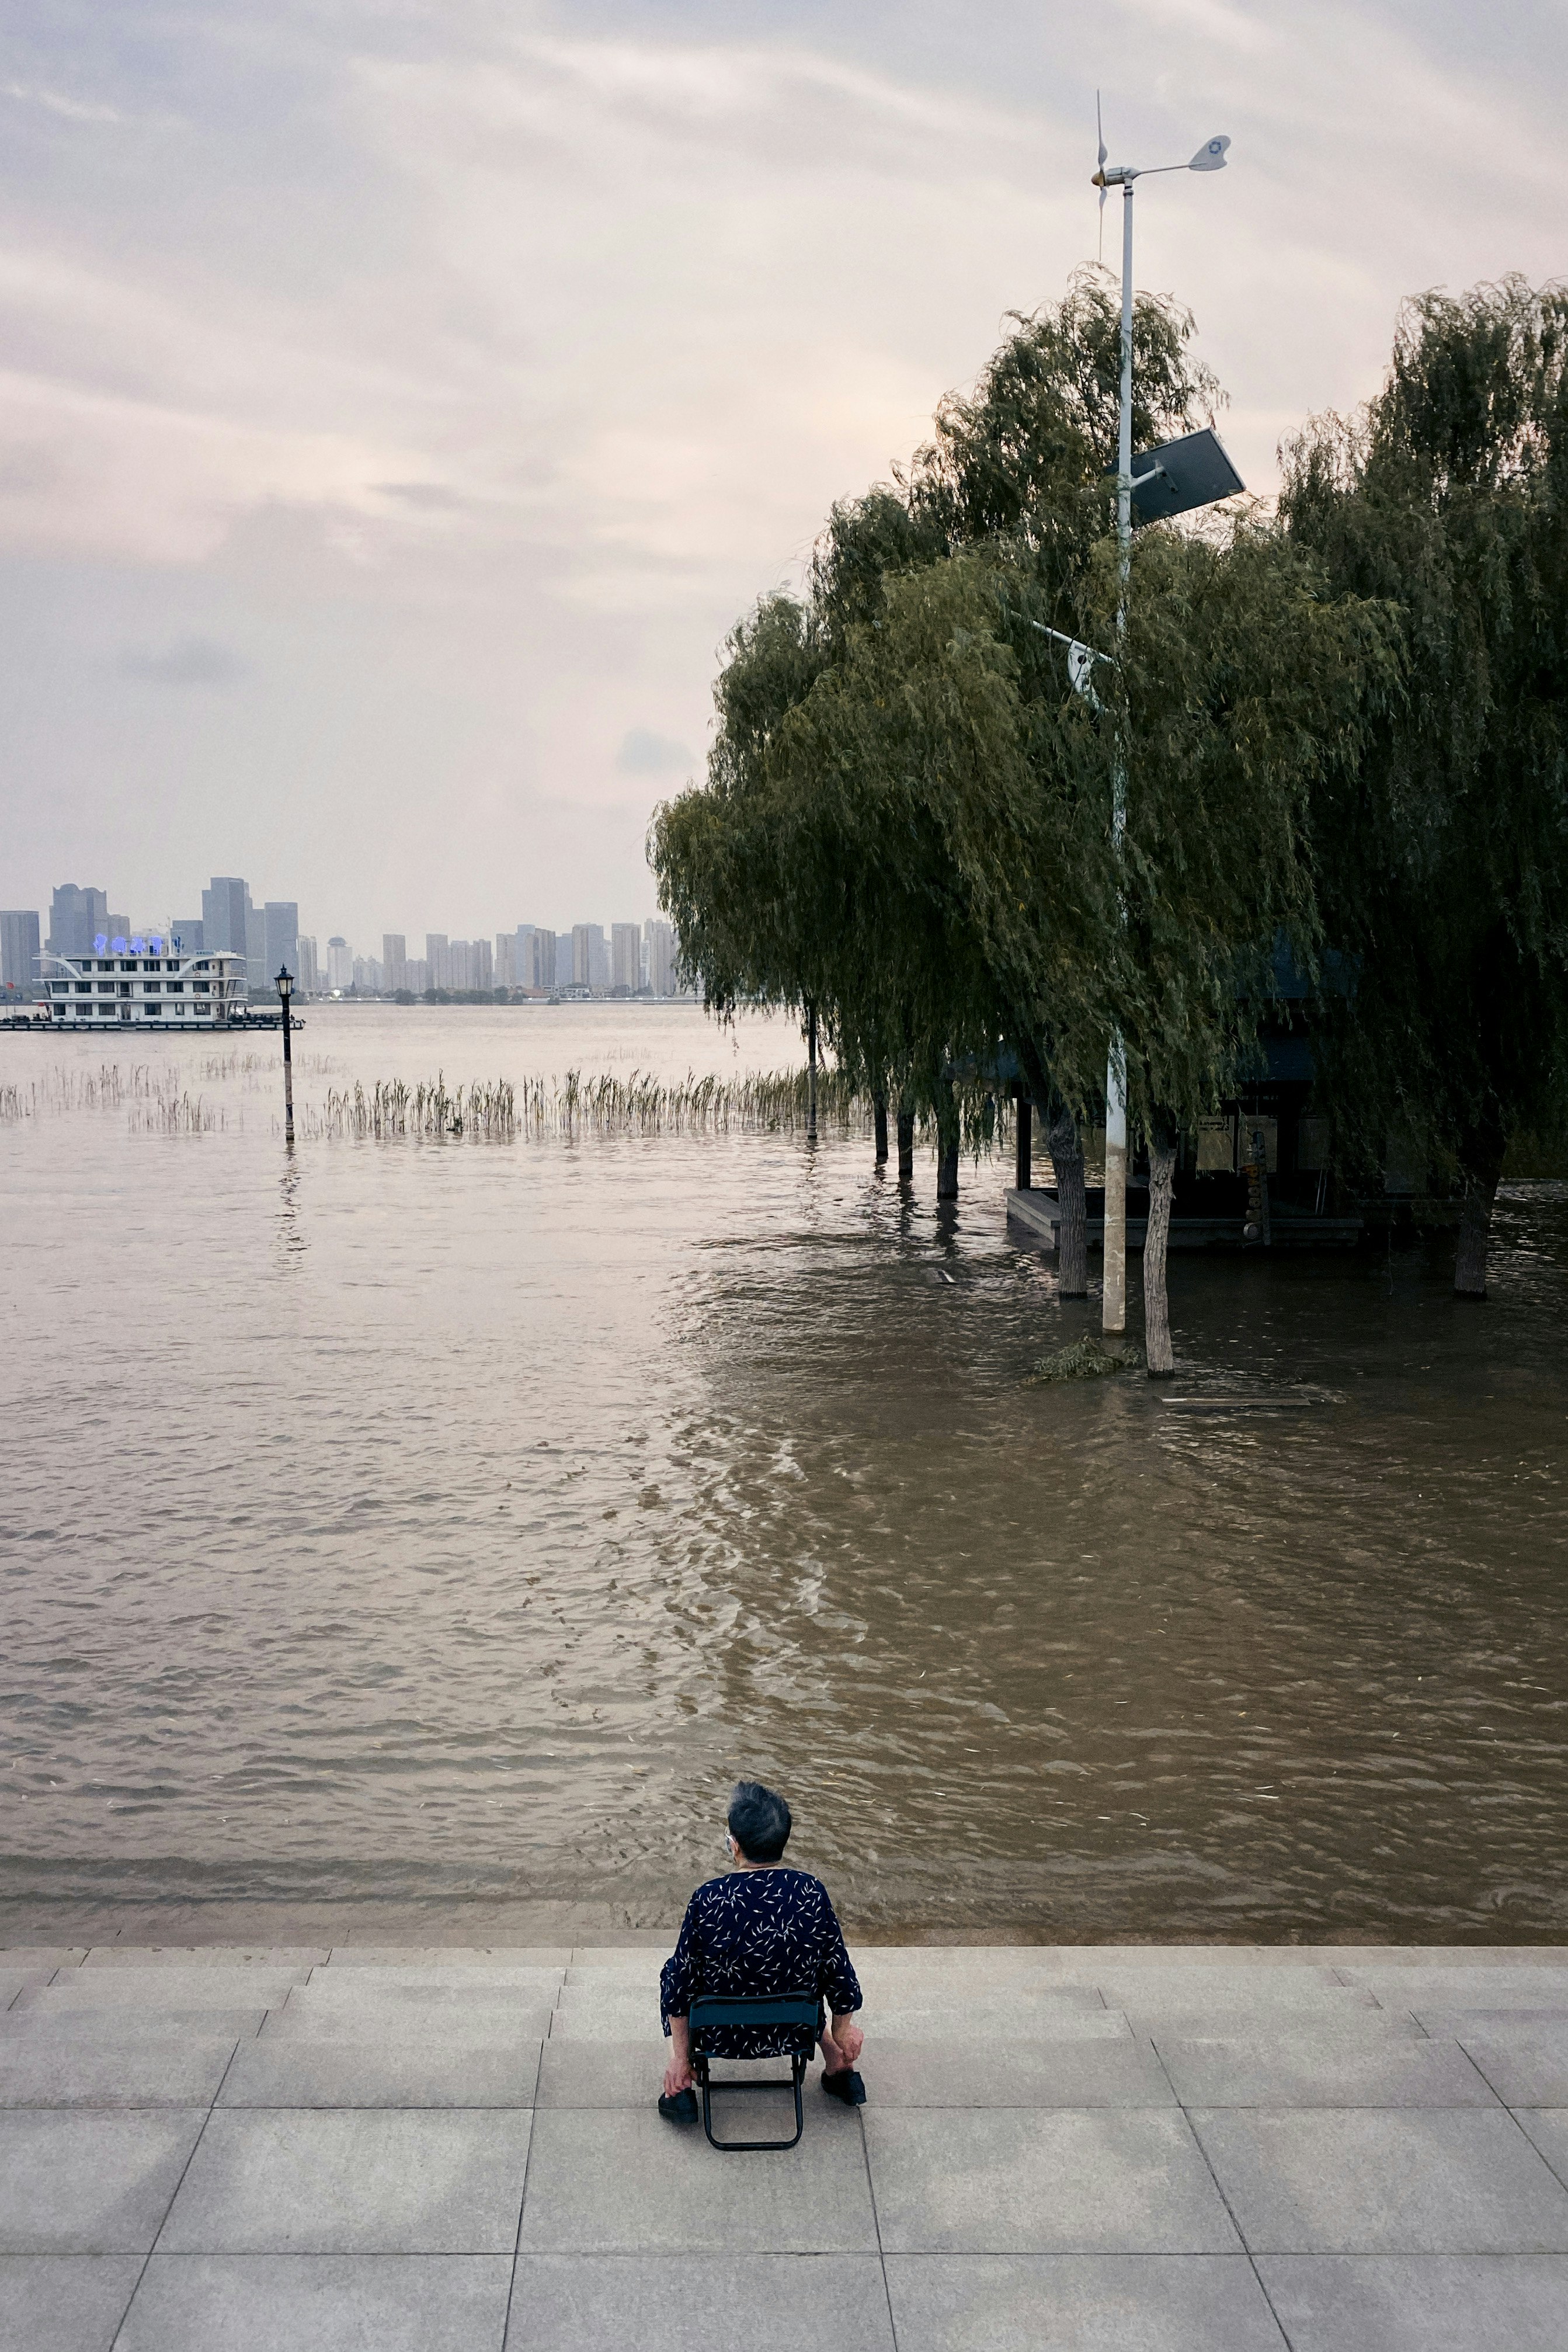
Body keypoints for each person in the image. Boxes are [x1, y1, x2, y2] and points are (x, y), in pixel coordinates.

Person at [658, 1780, 865, 2120]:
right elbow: (839, 1970)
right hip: (792, 2032)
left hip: (718, 2035)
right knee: (802, 1979)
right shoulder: (811, 1891)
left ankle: (682, 2080)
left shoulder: (708, 1898)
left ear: (734, 1846)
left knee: (672, 1973)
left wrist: (680, 2057)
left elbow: (680, 1983)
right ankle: (838, 2064)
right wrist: (843, 2028)